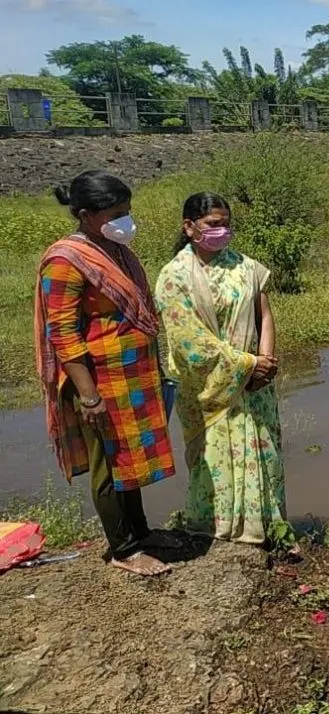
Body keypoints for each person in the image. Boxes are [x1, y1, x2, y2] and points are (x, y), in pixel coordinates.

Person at [35, 170, 176, 576]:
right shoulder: (66, 261)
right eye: (116, 214)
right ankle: (123, 548)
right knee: (108, 465)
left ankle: (141, 531)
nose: (125, 220)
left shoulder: (115, 251)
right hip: (98, 379)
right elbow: (62, 333)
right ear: (85, 215)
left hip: (131, 376)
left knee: (128, 457)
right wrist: (89, 395)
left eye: (127, 211)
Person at [154, 192, 286, 547]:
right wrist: (247, 365)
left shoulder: (247, 267)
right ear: (189, 227)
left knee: (263, 452)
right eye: (213, 224)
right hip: (207, 389)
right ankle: (215, 528)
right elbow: (188, 342)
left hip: (255, 383)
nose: (222, 230)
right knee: (212, 458)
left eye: (226, 224)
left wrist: (265, 362)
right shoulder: (174, 277)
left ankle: (268, 528)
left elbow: (264, 316)